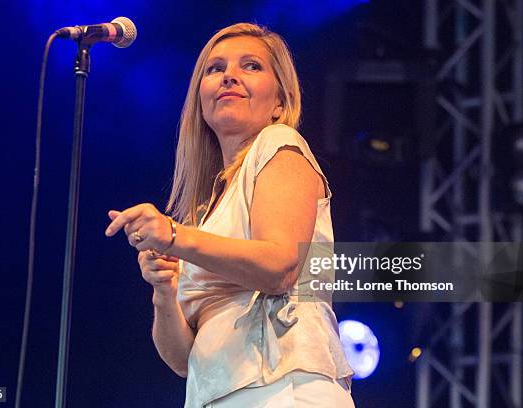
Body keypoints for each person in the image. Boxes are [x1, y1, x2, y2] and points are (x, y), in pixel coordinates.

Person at [105, 23, 355, 408]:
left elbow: (280, 266)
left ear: (280, 102)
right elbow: (183, 361)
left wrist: (174, 235)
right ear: (200, 98)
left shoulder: (280, 145)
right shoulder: (206, 213)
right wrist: (164, 292)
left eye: (251, 66)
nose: (230, 77)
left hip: (282, 386)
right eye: (215, 68)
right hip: (219, 395)